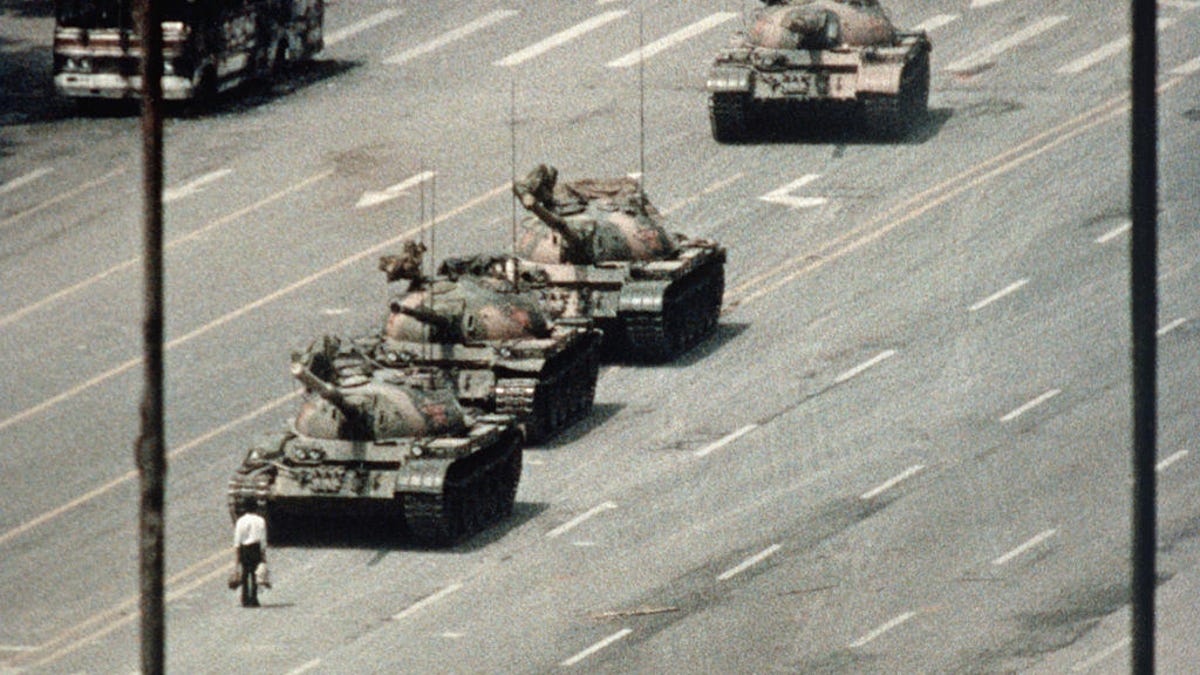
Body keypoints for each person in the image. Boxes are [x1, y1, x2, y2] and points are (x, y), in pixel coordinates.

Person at [233, 500, 268, 607]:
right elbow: (262, 538)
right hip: (255, 548)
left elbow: (237, 539)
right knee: (254, 574)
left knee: (244, 573)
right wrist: (263, 553)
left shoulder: (240, 521)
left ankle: (244, 598)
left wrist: (237, 556)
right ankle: (253, 598)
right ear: (256, 508)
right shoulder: (260, 520)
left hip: (244, 548)